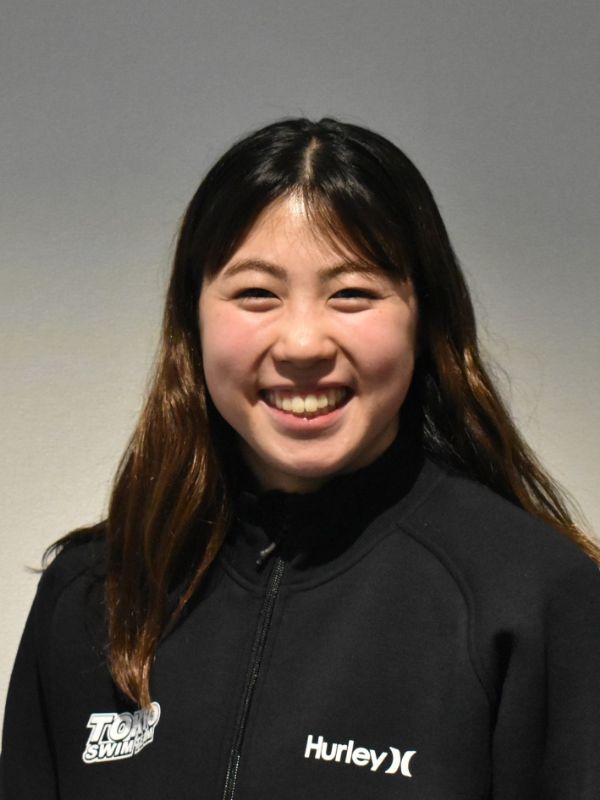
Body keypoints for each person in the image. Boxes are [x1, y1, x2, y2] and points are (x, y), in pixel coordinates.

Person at [2, 117, 600, 800]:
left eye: (353, 294)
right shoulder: (94, 594)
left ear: (423, 318)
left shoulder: (533, 599)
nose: (303, 343)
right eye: (256, 293)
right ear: (193, 319)